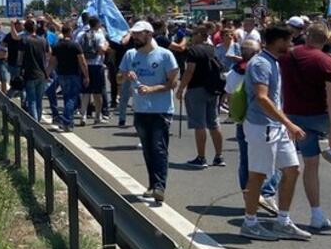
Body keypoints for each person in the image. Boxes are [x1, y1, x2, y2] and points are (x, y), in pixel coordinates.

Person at [280, 22, 331, 232]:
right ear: (326, 40)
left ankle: (316, 213)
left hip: (295, 115)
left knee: (310, 165)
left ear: (307, 35)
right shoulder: (325, 61)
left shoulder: (287, 55)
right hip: (319, 112)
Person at [240, 25, 312, 242]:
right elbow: (262, 98)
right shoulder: (261, 63)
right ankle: (250, 223)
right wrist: (289, 123)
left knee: (292, 170)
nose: (291, 44)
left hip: (276, 127)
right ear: (277, 41)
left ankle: (283, 221)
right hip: (262, 126)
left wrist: (284, 124)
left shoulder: (273, 61)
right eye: (288, 41)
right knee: (258, 175)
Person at [117, 21, 179, 203]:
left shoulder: (165, 55)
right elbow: (118, 78)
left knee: (159, 147)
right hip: (140, 110)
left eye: (139, 34)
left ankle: (159, 187)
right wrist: (125, 75)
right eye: (134, 34)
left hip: (161, 109)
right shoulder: (130, 55)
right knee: (147, 149)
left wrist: (152, 89)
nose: (135, 37)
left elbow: (172, 83)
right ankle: (152, 184)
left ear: (149, 34)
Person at [226, 39, 280, 216]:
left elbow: (229, 97)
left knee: (246, 160)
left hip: (243, 120)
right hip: (264, 120)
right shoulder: (264, 67)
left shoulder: (234, 72)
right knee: (273, 159)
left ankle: (248, 195)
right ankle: (266, 193)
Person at [176, 24, 226, 167]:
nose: (191, 38)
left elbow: (189, 71)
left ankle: (201, 157)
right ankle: (219, 156)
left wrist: (181, 88)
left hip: (196, 89)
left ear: (199, 35)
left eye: (193, 35)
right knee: (214, 123)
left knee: (199, 124)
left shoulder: (193, 50)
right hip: (212, 89)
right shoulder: (212, 49)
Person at [49, 25, 88, 131]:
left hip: (61, 74)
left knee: (67, 97)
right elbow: (82, 62)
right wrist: (86, 76)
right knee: (72, 98)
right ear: (70, 32)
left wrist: (47, 73)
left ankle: (69, 123)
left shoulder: (57, 46)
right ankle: (66, 120)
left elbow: (52, 62)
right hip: (74, 74)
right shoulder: (75, 45)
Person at [19, 19, 50, 121]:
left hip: (29, 73)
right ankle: (38, 122)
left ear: (25, 28)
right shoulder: (43, 40)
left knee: (31, 100)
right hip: (42, 73)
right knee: (39, 100)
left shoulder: (24, 40)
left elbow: (20, 58)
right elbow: (48, 54)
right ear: (35, 28)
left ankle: (35, 123)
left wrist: (20, 69)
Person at [79, 17, 108, 125]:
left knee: (85, 92)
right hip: (97, 65)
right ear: (97, 24)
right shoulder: (100, 35)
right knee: (97, 92)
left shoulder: (81, 34)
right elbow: (101, 50)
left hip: (84, 65)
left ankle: (83, 116)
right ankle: (97, 116)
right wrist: (106, 45)